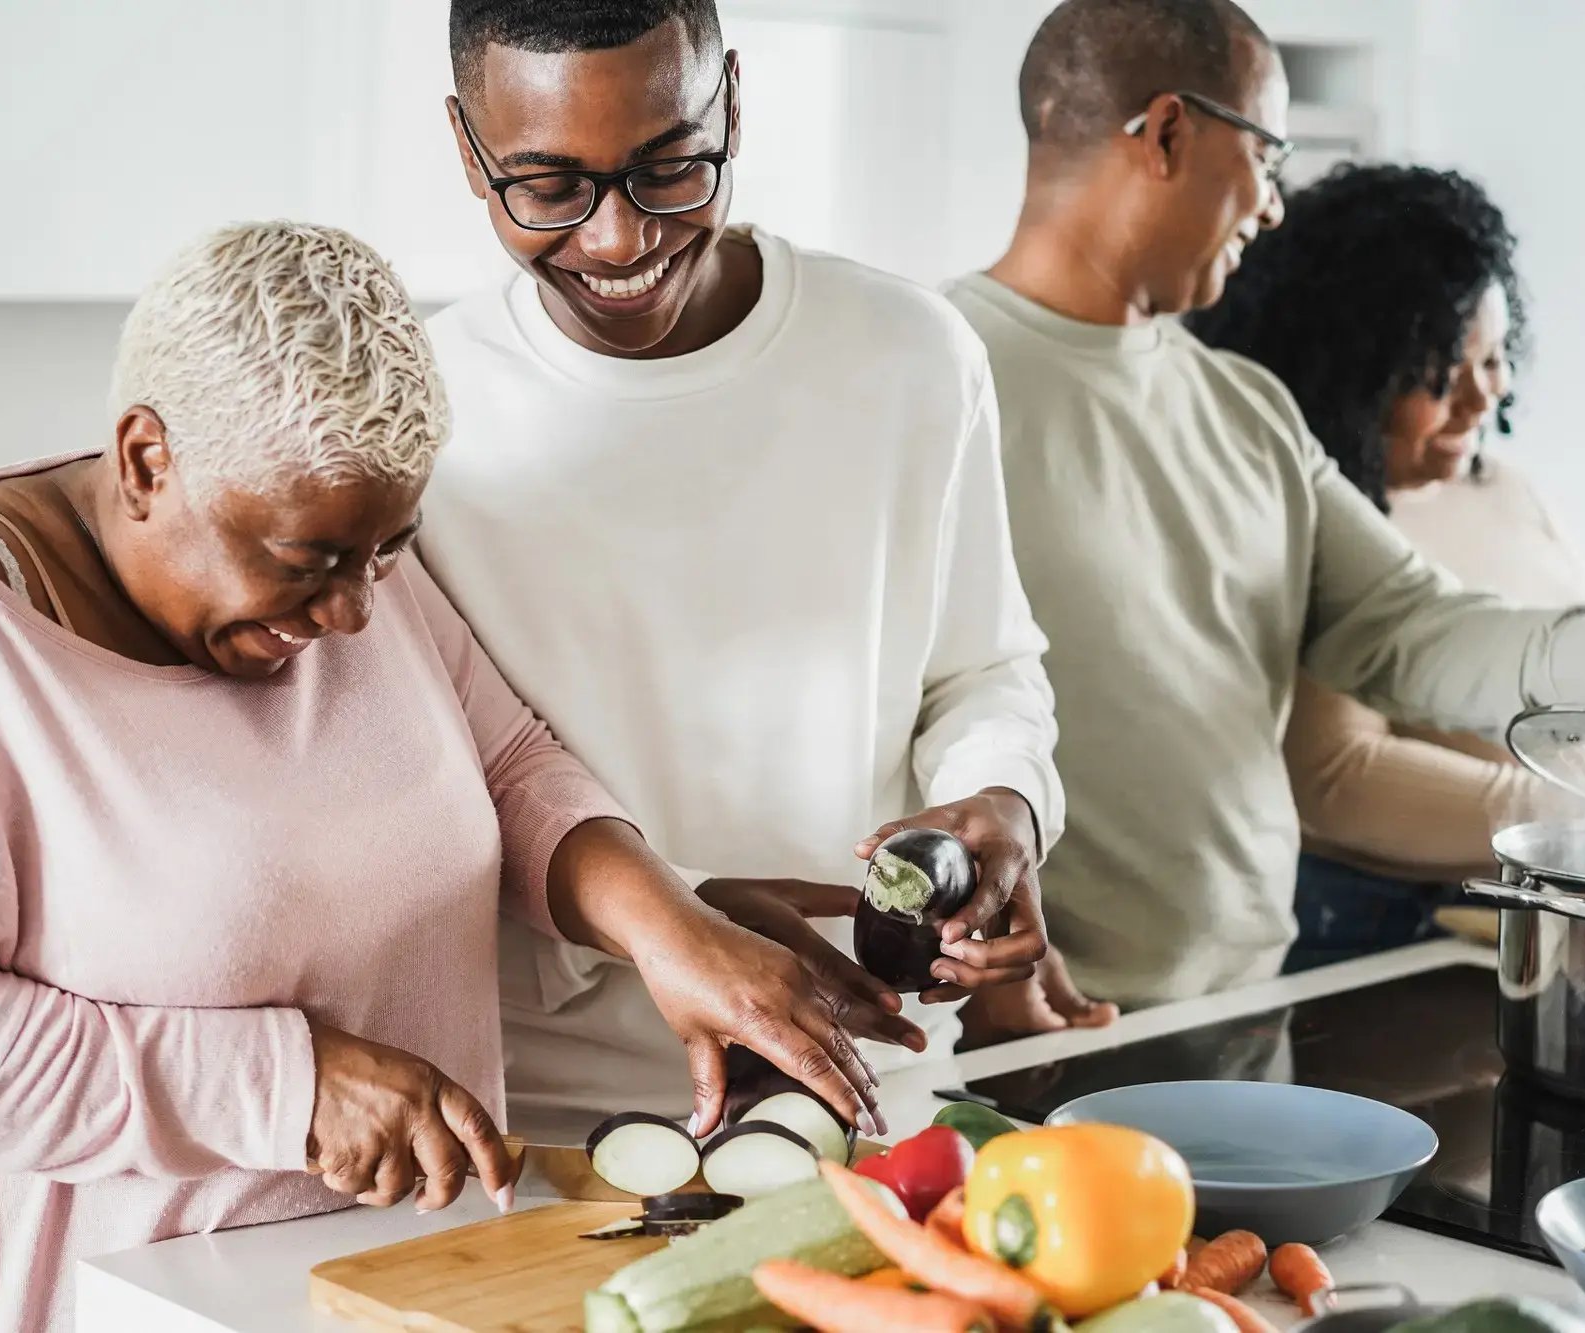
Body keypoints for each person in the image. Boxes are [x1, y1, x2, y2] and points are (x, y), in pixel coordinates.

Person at [0, 222, 897, 1333]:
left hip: (381, 1280)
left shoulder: (334, 545)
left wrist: (664, 922)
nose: (355, 613)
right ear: (146, 460)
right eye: (310, 564)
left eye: (388, 551)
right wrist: (288, 1087)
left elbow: (504, 764)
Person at [944, 0, 1585, 1012]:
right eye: (1264, 153)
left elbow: (1406, 627)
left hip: (1244, 1005)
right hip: (1026, 1023)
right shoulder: (937, 378)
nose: (1272, 205)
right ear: (1167, 132)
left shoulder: (1242, 406)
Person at [421, 0, 1096, 1131]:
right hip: (549, 1114)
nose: (616, 241)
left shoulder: (907, 352)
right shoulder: (422, 411)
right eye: (546, 188)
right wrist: (674, 910)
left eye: (671, 168)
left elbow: (981, 668)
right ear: (465, 148)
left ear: (730, 102)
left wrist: (1007, 798)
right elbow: (423, 798)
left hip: (872, 1080)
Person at [1187, 163, 1585, 971]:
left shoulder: (1506, 491)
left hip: (1534, 903)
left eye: (1494, 359)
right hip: (1385, 929)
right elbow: (1338, 773)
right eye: (1444, 373)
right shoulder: (1314, 523)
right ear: (1357, 370)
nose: (1483, 400)